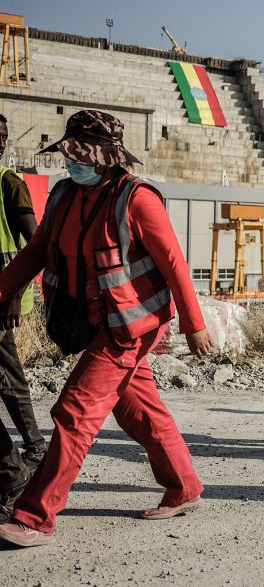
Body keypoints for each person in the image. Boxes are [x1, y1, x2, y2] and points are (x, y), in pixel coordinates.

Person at [0, 110, 212, 548]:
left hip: (129, 327)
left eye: (80, 156)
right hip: (94, 324)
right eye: (69, 155)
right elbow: (36, 251)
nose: (71, 164)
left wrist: (194, 326)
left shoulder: (136, 198)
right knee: (137, 408)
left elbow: (174, 263)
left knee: (75, 411)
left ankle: (36, 517)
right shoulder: (62, 195)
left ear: (105, 157)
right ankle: (184, 486)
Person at [0, 113, 48, 468]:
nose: (2, 142)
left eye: (4, 135)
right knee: (9, 374)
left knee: (9, 377)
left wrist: (15, 293)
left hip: (4, 297)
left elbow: (36, 245)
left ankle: (23, 462)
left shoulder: (10, 183)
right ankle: (32, 449)